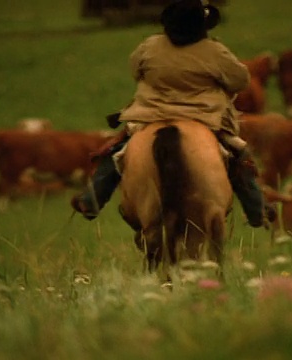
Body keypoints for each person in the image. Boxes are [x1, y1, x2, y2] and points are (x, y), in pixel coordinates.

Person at [71, 0, 275, 227]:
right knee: (239, 156)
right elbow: (241, 80)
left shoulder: (150, 45)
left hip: (150, 116)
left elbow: (135, 69)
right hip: (204, 118)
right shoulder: (215, 51)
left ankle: (92, 200)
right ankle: (258, 210)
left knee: (116, 152)